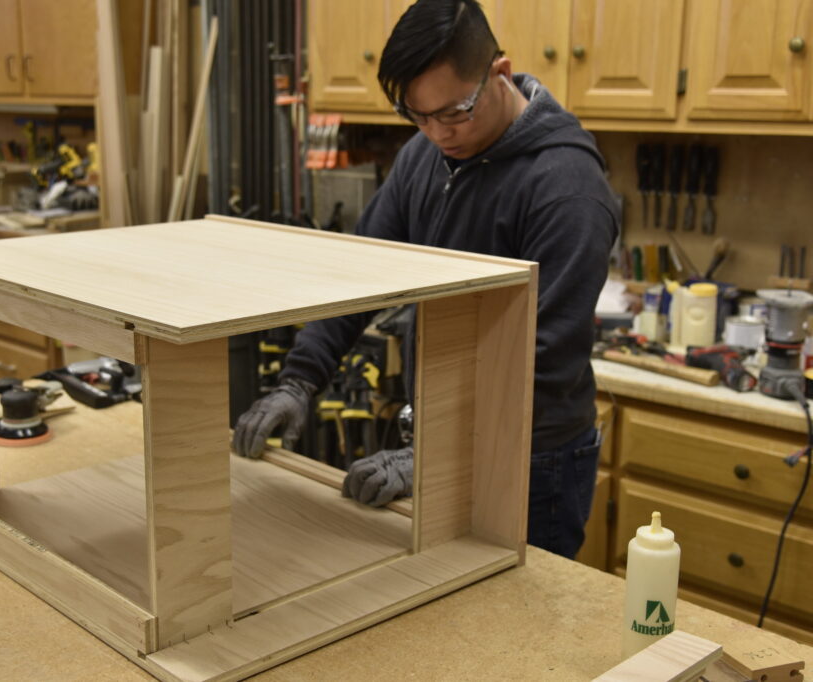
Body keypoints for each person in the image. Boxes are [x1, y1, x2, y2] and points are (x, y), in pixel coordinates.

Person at [232, 0, 618, 559]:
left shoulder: (566, 189)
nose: (438, 132)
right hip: (449, 438)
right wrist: (300, 380)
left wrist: (438, 452)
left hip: (532, 459)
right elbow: (358, 276)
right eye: (418, 115)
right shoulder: (425, 158)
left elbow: (542, 361)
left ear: (500, 74)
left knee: (521, 631)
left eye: (454, 111)